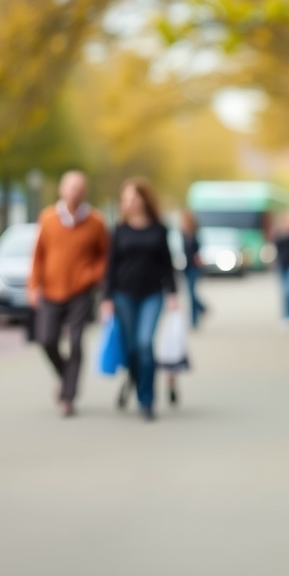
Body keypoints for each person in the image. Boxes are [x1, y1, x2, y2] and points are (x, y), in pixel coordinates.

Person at [27, 170, 110, 419]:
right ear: (62, 190)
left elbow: (105, 255)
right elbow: (38, 255)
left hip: (80, 292)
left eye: (79, 188)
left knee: (75, 342)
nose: (75, 192)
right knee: (46, 340)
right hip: (51, 290)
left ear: (84, 192)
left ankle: (68, 397)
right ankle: (67, 377)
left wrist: (93, 276)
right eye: (70, 187)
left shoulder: (95, 221)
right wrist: (33, 286)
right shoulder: (48, 218)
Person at [101, 177, 177, 422]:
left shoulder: (159, 228)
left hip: (152, 295)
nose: (130, 202)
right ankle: (134, 379)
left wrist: (173, 293)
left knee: (145, 344)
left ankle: (147, 400)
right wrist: (107, 297)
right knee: (132, 347)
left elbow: (168, 263)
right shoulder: (119, 230)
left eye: (134, 197)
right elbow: (110, 266)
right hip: (124, 295)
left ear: (144, 199)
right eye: (125, 199)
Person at [178, 210, 207, 327]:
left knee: (191, 292)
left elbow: (198, 249)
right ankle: (202, 308)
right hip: (186, 266)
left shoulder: (194, 234)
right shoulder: (182, 233)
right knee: (190, 292)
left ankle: (194, 319)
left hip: (194, 267)